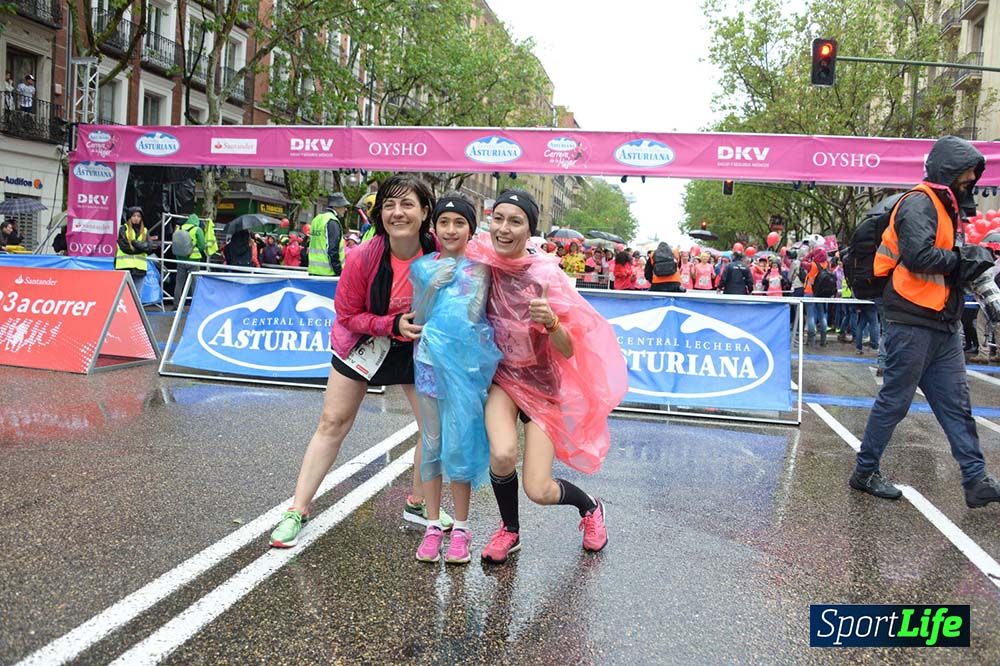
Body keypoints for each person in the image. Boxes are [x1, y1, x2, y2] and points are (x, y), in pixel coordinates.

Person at [270, 175, 451, 548]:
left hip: (415, 346)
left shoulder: (439, 254)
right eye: (389, 205)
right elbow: (347, 313)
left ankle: (418, 503)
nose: (397, 213)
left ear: (425, 211)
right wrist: (390, 323)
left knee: (435, 429)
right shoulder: (362, 257)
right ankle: (297, 510)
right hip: (365, 339)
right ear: (379, 214)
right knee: (333, 422)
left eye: (407, 205)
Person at [465, 189, 628, 564]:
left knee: (538, 488)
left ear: (530, 230)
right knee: (503, 453)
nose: (504, 229)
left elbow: (570, 348)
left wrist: (551, 321)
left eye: (515, 221)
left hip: (542, 385)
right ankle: (509, 530)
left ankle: (589, 507)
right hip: (504, 379)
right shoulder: (482, 261)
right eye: (498, 219)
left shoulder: (546, 274)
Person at [850, 135, 1000, 507]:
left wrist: (980, 282)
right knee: (895, 401)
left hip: (941, 323)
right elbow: (919, 257)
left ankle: (975, 479)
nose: (971, 180)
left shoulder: (947, 207)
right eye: (966, 173)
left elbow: (949, 262)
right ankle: (865, 471)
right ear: (949, 170)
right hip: (910, 319)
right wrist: (967, 257)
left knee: (956, 405)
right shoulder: (918, 202)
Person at [410, 193, 501, 564]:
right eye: (444, 222)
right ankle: (433, 526)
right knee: (432, 444)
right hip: (430, 364)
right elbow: (418, 315)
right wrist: (432, 285)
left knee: (460, 444)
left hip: (465, 369)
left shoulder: (482, 267)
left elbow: (478, 315)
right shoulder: (422, 267)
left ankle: (461, 529)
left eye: (459, 223)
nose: (450, 229)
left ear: (470, 229)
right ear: (434, 227)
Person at [308, 193, 349, 277]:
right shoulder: (332, 221)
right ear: (336, 206)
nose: (345, 209)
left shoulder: (317, 219)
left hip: (314, 271)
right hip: (329, 273)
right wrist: (339, 272)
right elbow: (332, 250)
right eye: (344, 206)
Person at [173, 214, 207, 307]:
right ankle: (195, 304)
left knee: (179, 283)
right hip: (194, 260)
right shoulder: (197, 229)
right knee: (194, 283)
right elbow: (201, 245)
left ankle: (176, 304)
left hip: (180, 259)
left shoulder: (179, 228)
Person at [115, 206, 152, 287]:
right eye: (134, 216)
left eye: (138, 216)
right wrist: (142, 248)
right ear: (129, 217)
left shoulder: (145, 231)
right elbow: (125, 247)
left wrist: (134, 243)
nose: (136, 218)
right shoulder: (123, 229)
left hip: (140, 269)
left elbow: (149, 248)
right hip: (124, 267)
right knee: (124, 295)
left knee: (137, 296)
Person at [803, 248, 831, 346]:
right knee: (822, 315)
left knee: (810, 316)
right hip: (821, 293)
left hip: (809, 291)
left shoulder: (812, 265)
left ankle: (811, 339)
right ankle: (823, 339)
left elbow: (803, 262)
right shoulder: (827, 264)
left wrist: (810, 254)